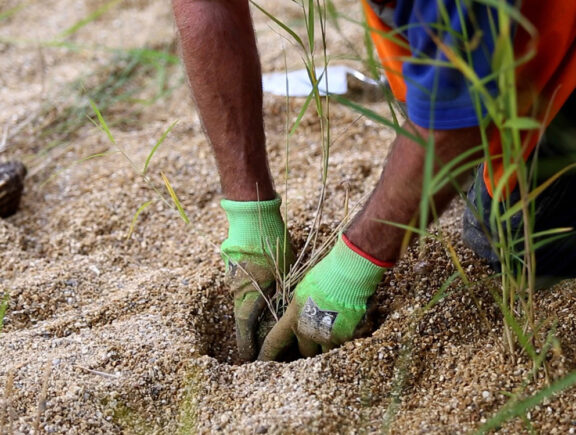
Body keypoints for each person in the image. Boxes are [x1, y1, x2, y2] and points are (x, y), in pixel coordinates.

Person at [170, 0, 576, 362]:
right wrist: (250, 215)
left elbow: (455, 130)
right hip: (467, 38)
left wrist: (351, 270)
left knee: (512, 235)